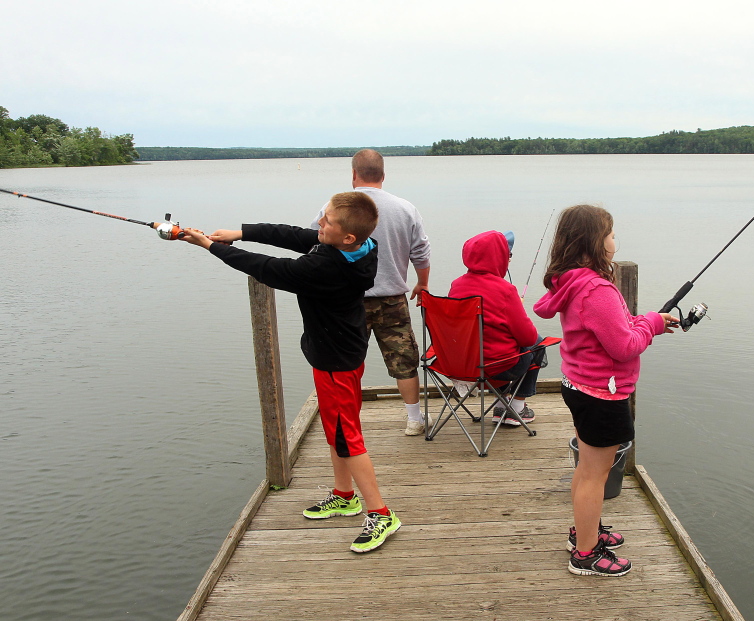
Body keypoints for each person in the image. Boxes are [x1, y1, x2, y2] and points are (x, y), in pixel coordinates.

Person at [182, 192, 401, 554]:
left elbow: (269, 268)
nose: (320, 224)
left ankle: (381, 513)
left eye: (327, 221)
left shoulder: (327, 269)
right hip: (336, 353)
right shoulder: (362, 245)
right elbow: (291, 235)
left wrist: (209, 246)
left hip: (337, 363)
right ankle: (345, 496)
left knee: (347, 437)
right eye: (324, 216)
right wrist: (239, 232)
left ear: (347, 237)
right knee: (336, 428)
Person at [533, 204, 680, 577]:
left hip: (580, 385)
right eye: (611, 234)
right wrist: (652, 326)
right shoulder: (595, 288)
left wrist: (647, 319)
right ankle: (585, 554)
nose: (616, 240)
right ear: (592, 243)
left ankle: (584, 529)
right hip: (602, 394)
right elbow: (624, 346)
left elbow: (613, 328)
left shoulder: (573, 281)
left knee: (587, 468)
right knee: (595, 475)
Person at [312, 149, 431, 436]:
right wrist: (422, 283)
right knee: (404, 360)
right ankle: (414, 419)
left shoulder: (334, 207)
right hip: (392, 298)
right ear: (383, 175)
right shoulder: (405, 208)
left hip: (348, 300)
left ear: (354, 175)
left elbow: (315, 243)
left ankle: (349, 421)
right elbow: (421, 251)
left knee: (347, 362)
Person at [448, 230, 542, 425]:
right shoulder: (505, 290)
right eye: (508, 255)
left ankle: (502, 404)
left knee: (492, 347)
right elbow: (528, 338)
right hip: (498, 369)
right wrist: (517, 310)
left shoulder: (456, 286)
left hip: (460, 367)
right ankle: (516, 408)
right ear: (499, 257)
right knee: (538, 344)